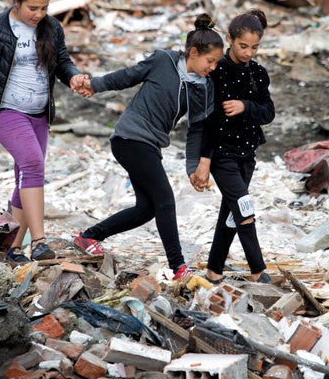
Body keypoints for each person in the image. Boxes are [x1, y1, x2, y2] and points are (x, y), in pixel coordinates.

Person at [71, 14, 223, 281]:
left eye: (216, 63)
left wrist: (193, 167)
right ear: (194, 52)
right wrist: (94, 85)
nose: (212, 67)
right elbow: (128, 76)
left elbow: (196, 129)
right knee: (165, 199)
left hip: (150, 145)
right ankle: (179, 268)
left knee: (147, 208)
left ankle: (88, 237)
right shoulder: (163, 61)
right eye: (209, 61)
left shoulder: (203, 88)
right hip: (129, 139)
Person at [0, 0, 86, 263]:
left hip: (39, 112)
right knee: (32, 163)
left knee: (26, 175)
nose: (39, 14)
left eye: (44, 8)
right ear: (16, 2)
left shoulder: (51, 28)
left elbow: (63, 63)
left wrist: (75, 77)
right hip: (4, 110)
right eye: (33, 8)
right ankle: (39, 242)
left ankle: (11, 248)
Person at [189, 10, 275, 284]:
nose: (249, 52)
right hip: (222, 154)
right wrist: (204, 160)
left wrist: (245, 106)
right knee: (245, 209)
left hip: (247, 153)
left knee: (231, 213)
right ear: (229, 39)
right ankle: (258, 270)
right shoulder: (217, 71)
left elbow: (268, 112)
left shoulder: (258, 74)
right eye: (243, 46)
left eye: (255, 47)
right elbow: (209, 120)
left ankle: (214, 270)